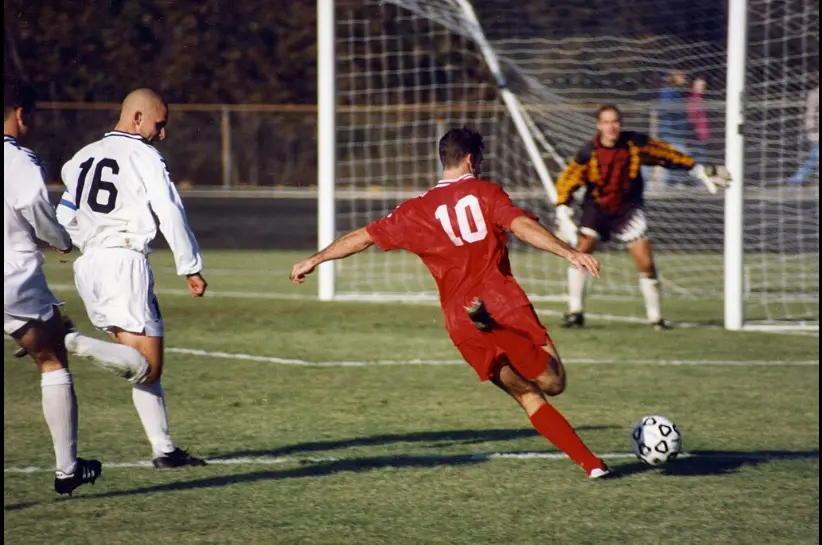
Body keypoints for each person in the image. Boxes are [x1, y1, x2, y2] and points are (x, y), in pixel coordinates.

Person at [291, 127, 612, 479]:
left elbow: (362, 237)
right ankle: (502, 333)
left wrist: (316, 259)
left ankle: (593, 466)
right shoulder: (486, 192)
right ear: (473, 159)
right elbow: (519, 225)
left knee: (527, 396)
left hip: (462, 321)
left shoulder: (415, 209)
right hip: (502, 303)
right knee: (554, 381)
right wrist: (568, 251)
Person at [56, 88, 208, 469]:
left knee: (138, 363)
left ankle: (165, 450)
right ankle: (70, 340)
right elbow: (169, 211)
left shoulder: (81, 158)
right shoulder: (144, 156)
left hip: (89, 266)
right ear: (137, 118)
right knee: (148, 367)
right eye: (160, 124)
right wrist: (189, 265)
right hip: (124, 261)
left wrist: (63, 241)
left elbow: (64, 214)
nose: (162, 134)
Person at [4, 77, 104, 495]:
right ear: (23, 114)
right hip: (13, 277)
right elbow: (32, 206)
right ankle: (67, 470)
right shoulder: (19, 160)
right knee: (52, 358)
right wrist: (61, 239)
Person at [554, 105, 730, 330]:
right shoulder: (588, 152)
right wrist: (562, 206)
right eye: (606, 122)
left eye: (615, 121)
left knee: (646, 263)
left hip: (628, 210)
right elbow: (569, 179)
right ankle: (575, 311)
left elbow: (665, 154)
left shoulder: (634, 144)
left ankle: (656, 318)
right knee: (582, 251)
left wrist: (696, 168)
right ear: (599, 126)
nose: (611, 127)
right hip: (596, 209)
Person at [656, 71, 691, 187]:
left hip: (677, 131)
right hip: (671, 131)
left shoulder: (678, 93)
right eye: (682, 76)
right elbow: (666, 109)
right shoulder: (669, 92)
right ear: (675, 78)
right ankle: (668, 183)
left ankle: (672, 182)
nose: (685, 79)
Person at [788, 81, 819, 187]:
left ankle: (800, 180)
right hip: (817, 133)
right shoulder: (815, 94)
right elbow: (810, 114)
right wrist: (812, 132)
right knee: (814, 159)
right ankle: (795, 180)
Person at [687, 77, 711, 165]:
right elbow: (691, 117)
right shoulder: (693, 99)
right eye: (700, 85)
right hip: (697, 136)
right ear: (694, 86)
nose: (702, 88)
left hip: (703, 136)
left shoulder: (701, 99)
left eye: (703, 86)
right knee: (698, 163)